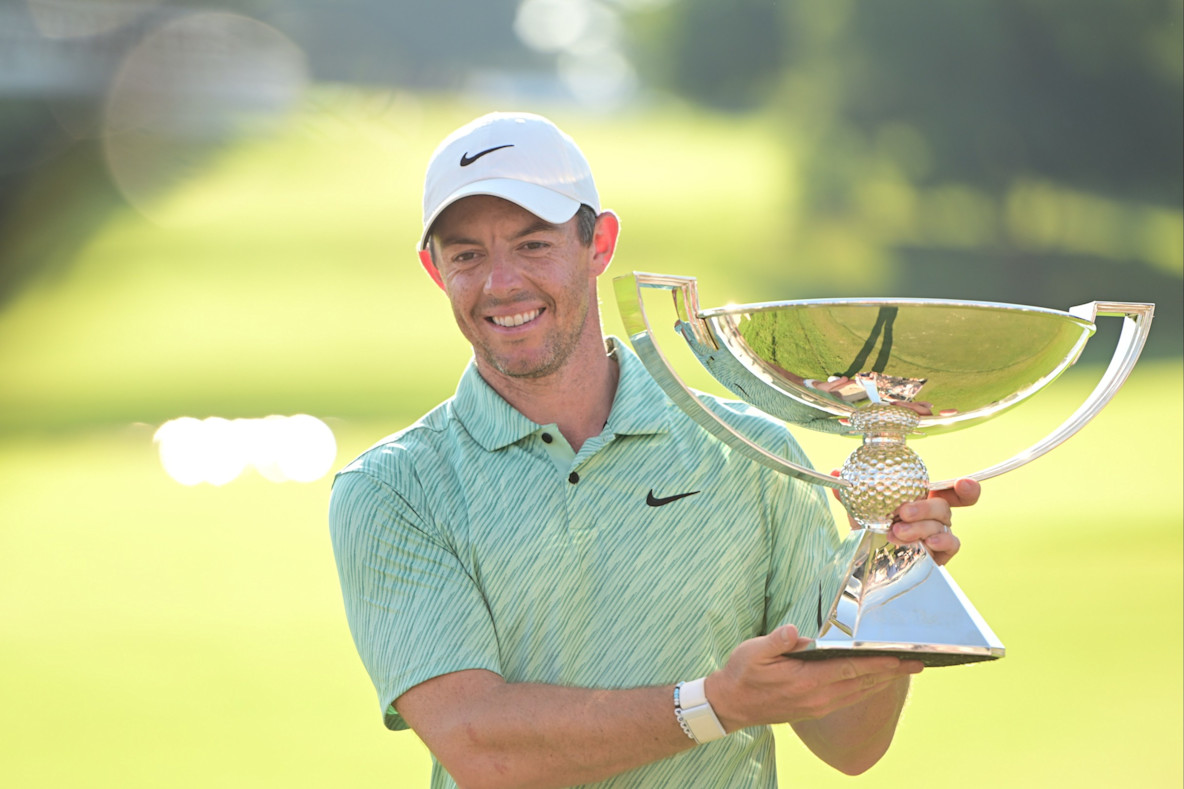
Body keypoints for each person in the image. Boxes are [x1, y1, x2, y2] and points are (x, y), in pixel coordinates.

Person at [328, 112, 981, 789]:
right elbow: (483, 748)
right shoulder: (395, 489)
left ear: (599, 243)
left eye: (532, 245)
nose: (500, 283)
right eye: (466, 254)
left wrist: (882, 575)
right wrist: (715, 703)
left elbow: (850, 742)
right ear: (435, 269)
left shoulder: (753, 453)